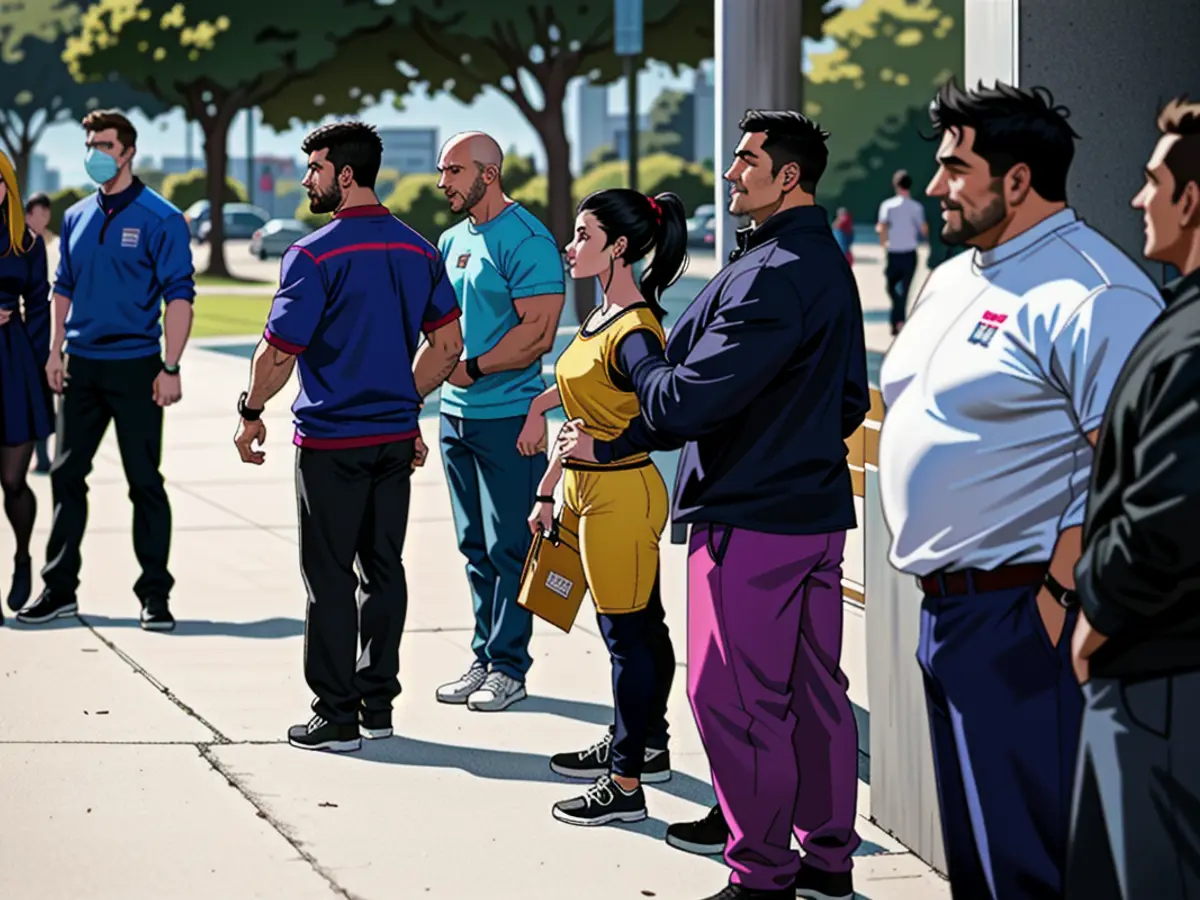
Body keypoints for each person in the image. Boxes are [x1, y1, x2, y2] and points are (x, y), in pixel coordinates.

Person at [559, 110, 869, 900]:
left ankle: (761, 870)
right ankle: (822, 858)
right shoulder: (821, 260)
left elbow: (681, 407)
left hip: (750, 518)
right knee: (814, 694)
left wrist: (639, 357)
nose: (730, 173)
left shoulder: (769, 273)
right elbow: (842, 402)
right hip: (811, 511)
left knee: (733, 697)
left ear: (786, 175)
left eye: (745, 160)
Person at [876, 79, 1165, 900]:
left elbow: (1136, 462)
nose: (935, 186)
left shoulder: (1095, 294)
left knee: (1037, 868)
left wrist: (1056, 592)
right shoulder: (955, 276)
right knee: (981, 863)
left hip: (1024, 619)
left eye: (954, 168)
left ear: (1019, 178)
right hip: (948, 617)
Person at [232, 121, 463, 752]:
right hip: (392, 439)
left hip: (331, 442)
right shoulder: (421, 251)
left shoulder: (313, 254)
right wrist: (405, 403)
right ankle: (377, 706)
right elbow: (447, 345)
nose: (307, 179)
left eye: (315, 169)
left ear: (347, 175)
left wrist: (250, 410)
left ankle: (335, 716)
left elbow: (278, 354)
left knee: (329, 577)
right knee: (383, 569)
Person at [1065, 96, 1200, 900]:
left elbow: (1173, 508)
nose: (1138, 199)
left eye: (1155, 183)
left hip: (1161, 674)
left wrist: (1098, 614)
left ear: (1193, 200)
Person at [519, 188, 684, 826]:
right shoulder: (599, 319)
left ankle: (625, 783)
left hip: (622, 493)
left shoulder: (636, 332)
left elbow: (668, 415)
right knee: (643, 628)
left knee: (626, 637)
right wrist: (549, 486)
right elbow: (580, 414)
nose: (570, 246)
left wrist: (605, 447)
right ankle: (644, 742)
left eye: (584, 235)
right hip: (587, 489)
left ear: (618, 247)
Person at [17, 109, 195, 631]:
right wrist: (54, 352)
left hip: (138, 367)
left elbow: (179, 297)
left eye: (106, 145)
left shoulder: (161, 218)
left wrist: (171, 365)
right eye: (90, 143)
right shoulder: (74, 217)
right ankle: (58, 589)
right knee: (68, 476)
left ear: (129, 151)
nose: (96, 153)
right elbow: (62, 288)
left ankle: (155, 596)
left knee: (145, 482)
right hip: (80, 367)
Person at [433, 131, 565, 712]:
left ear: (489, 174)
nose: (444, 183)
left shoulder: (528, 238)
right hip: (454, 419)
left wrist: (473, 368)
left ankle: (510, 666)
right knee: (473, 547)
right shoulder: (450, 239)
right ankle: (484, 656)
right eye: (442, 171)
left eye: (454, 171)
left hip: (509, 416)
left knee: (511, 546)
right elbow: (437, 331)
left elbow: (536, 333)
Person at [0, 151, 52, 621]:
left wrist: (37, 368)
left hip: (13, 363)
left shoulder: (28, 243)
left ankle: (21, 557)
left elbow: (39, 306)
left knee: (14, 479)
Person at [23, 191, 53, 475]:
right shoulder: (19, 243)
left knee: (39, 399)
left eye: (47, 215)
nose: (43, 219)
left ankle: (42, 457)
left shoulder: (40, 243)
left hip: (39, 334)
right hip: (25, 337)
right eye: (39, 214)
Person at [876, 169, 928, 334]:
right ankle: (900, 320)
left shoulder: (887, 205)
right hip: (910, 252)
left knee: (891, 287)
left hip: (894, 252)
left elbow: (881, 227)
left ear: (895, 185)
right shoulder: (916, 207)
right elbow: (923, 229)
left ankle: (896, 320)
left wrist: (884, 243)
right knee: (905, 290)